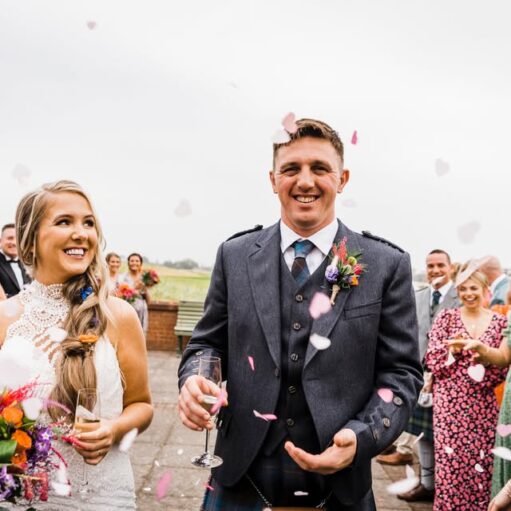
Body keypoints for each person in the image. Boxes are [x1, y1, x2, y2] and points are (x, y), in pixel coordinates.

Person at [178, 118, 422, 510]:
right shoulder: (235, 255)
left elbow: (402, 373)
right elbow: (206, 345)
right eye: (291, 169)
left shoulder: (386, 264)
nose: (305, 181)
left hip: (340, 486)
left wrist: (362, 436)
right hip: (240, 477)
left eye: (320, 169)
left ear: (342, 178)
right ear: (273, 179)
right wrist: (193, 380)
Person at [0, 180, 153, 510]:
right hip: (21, 497)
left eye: (88, 223)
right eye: (64, 221)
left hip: (100, 496)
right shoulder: (4, 318)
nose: (82, 233)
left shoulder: (119, 315)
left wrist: (113, 430)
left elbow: (142, 405)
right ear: (31, 238)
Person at [424, 261, 508, 511]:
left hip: (482, 404)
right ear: (458, 291)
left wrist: (482, 359)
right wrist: (453, 350)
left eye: (474, 288)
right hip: (448, 403)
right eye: (463, 289)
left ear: (484, 290)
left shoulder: (499, 323)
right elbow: (432, 359)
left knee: (482, 464)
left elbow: (503, 367)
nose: (469, 294)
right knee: (450, 464)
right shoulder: (446, 318)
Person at [396, 249, 459, 502]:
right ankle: (426, 484)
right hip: (420, 376)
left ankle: (448, 487)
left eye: (440, 265)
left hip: (451, 378)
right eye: (430, 266)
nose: (435, 270)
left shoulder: (462, 295)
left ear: (450, 267)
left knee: (446, 435)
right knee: (423, 434)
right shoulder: (418, 295)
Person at [119, 253, 149, 335]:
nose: (134, 263)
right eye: (132, 261)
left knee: (140, 334)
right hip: (127, 311)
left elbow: (148, 300)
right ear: (128, 262)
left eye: (137, 261)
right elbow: (120, 296)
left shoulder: (144, 278)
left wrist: (145, 289)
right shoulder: (122, 277)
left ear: (141, 263)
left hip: (142, 311)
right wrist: (134, 289)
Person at [0, 223, 31, 298]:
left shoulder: (28, 263)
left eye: (17, 239)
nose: (14, 243)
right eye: (10, 238)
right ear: (0, 241)